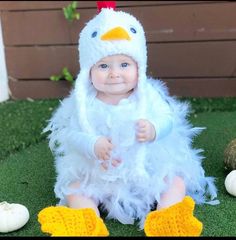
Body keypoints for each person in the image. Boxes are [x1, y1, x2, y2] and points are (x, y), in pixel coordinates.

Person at [38, 1, 219, 237]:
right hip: (99, 174)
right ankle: (86, 220)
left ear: (139, 67)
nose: (114, 73)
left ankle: (168, 215)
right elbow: (69, 134)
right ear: (88, 71)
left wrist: (154, 129)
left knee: (175, 180)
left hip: (147, 170)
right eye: (103, 65)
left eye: (124, 64)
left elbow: (169, 119)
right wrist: (92, 144)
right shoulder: (83, 103)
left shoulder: (148, 96)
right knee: (74, 187)